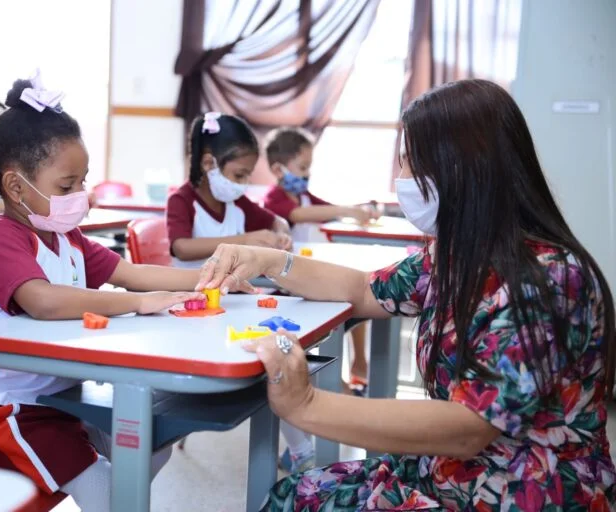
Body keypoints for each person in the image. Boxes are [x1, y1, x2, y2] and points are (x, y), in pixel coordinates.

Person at [196, 79, 616, 510]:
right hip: (451, 471)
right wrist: (270, 262)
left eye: (410, 163)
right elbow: (363, 288)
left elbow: (470, 427)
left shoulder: (546, 279)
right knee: (293, 494)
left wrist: (307, 403)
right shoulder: (455, 256)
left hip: (523, 489)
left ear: (464, 170)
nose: (401, 180)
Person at [0, 75, 214, 511]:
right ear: (16, 188)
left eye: (83, 182)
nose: (81, 197)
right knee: (115, 493)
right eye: (67, 186)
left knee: (158, 432)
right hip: (4, 413)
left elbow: (133, 273)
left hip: (60, 404)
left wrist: (211, 276)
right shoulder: (0, 236)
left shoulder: (67, 238)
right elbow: (43, 300)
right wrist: (135, 303)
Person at [263, 127, 379, 397]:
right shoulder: (274, 199)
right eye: (302, 167)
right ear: (279, 169)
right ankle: (344, 391)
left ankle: (359, 364)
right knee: (344, 299)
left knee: (355, 296)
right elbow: (300, 214)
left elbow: (324, 209)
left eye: (309, 167)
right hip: (285, 282)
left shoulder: (304, 195)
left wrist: (357, 209)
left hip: (307, 274)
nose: (306, 174)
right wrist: (346, 210)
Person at [166, 112, 292, 269]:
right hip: (191, 289)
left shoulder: (236, 201)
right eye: (239, 175)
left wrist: (281, 235)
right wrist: (244, 240)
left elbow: (278, 222)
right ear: (208, 163)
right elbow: (181, 248)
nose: (243, 184)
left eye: (248, 176)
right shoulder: (181, 200)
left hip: (230, 290)